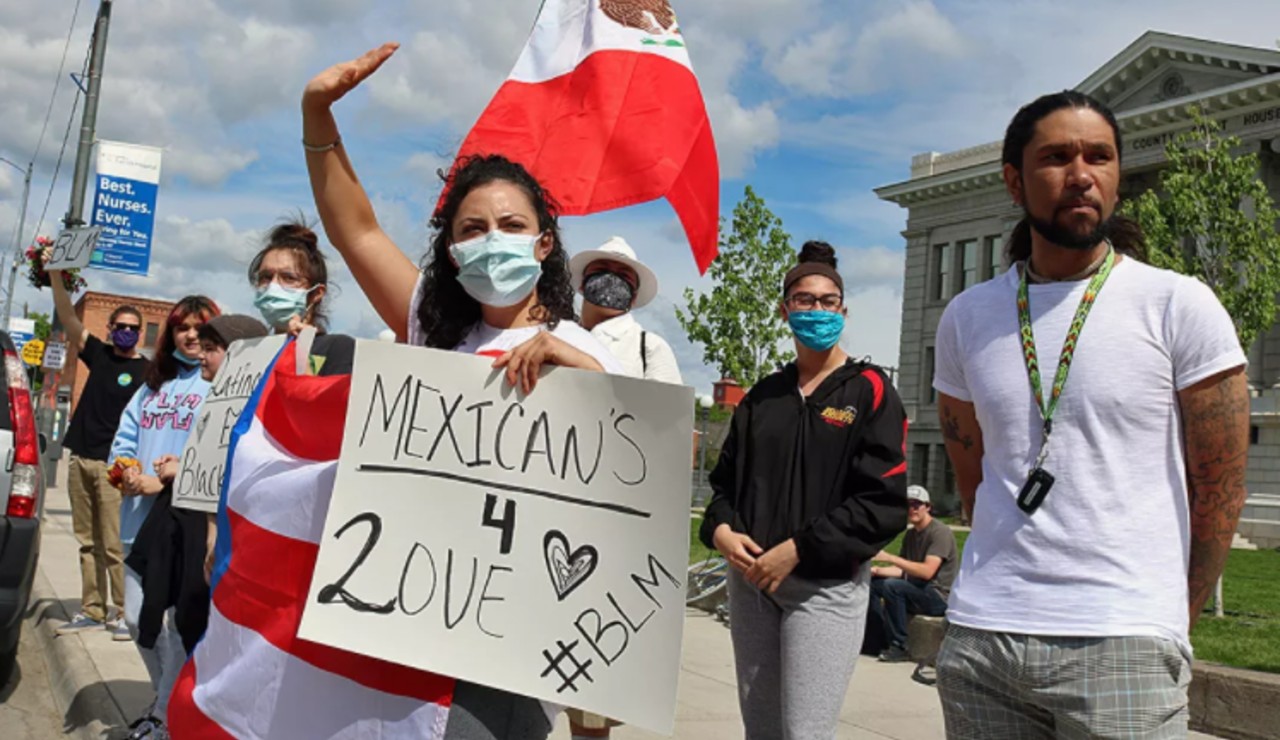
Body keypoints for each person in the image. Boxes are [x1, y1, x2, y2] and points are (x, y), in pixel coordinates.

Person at [194, 43, 620, 740]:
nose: (492, 241)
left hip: (504, 662)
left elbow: (621, 485)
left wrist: (581, 376)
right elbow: (355, 227)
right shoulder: (432, 325)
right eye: (472, 229)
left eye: (512, 227)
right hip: (406, 641)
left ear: (545, 245)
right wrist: (316, 115)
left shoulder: (590, 349)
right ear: (451, 251)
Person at [933, 90, 1249, 739]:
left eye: (1099, 156)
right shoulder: (968, 317)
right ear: (1014, 181)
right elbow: (976, 479)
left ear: (1117, 176)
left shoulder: (1177, 305)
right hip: (984, 641)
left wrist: (1167, 616)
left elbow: (1220, 489)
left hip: (1123, 643)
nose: (1081, 173)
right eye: (1057, 156)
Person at [699, 240, 909, 739]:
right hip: (750, 585)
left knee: (805, 734)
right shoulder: (762, 398)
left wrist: (798, 549)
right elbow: (724, 485)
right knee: (763, 732)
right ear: (784, 309)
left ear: (843, 309)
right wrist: (721, 532)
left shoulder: (870, 389)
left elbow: (882, 504)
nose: (816, 310)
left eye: (827, 300)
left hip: (824, 589)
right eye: (804, 300)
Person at [564, 237, 680, 738]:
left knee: (589, 684)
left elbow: (668, 434)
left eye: (621, 275)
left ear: (633, 291)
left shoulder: (649, 348)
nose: (610, 282)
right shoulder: (553, 332)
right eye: (601, 272)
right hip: (552, 512)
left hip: (610, 525)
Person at [110, 295, 220, 740]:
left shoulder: (219, 385)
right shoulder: (152, 385)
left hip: (182, 527)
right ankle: (164, 701)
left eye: (199, 327)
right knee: (137, 620)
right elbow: (124, 439)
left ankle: (162, 716)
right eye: (181, 327)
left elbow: (219, 455)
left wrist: (168, 483)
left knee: (175, 627)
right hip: (137, 522)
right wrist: (128, 472)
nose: (190, 335)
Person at [48, 269, 148, 640]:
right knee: (87, 542)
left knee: (113, 543)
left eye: (133, 327)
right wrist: (57, 277)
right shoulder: (99, 354)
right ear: (109, 328)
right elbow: (70, 319)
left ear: (140, 333)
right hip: (80, 458)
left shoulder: (148, 372)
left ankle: (124, 613)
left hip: (113, 467)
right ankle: (92, 609)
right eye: (120, 325)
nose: (126, 331)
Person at [570, 236, 681, 383]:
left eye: (623, 275)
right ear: (582, 285)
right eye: (601, 269)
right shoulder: (559, 335)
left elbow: (670, 404)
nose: (610, 279)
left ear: (633, 296)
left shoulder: (650, 347)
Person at [249, 219, 355, 374]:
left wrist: (300, 351)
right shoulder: (249, 354)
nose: (273, 286)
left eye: (289, 278)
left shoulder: (337, 348)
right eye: (266, 277)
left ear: (316, 294)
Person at [866, 484, 956, 663]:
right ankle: (875, 641)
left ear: (928, 507)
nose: (912, 509)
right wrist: (875, 570)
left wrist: (890, 557)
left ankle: (899, 646)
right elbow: (902, 570)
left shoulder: (940, 533)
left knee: (893, 587)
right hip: (917, 589)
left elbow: (927, 572)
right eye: (908, 505)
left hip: (938, 596)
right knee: (874, 585)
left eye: (917, 504)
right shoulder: (911, 535)